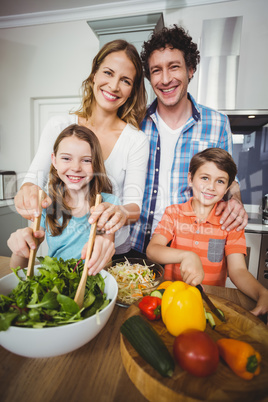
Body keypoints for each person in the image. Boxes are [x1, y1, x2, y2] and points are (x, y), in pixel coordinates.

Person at [14, 39, 149, 255]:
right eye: (108, 73)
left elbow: (134, 207)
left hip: (112, 253)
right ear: (94, 74)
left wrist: (119, 212)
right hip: (63, 252)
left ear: (133, 90)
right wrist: (27, 192)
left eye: (125, 80)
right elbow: (33, 181)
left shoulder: (136, 140)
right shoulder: (58, 126)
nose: (114, 86)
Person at [129, 25, 248, 257]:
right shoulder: (134, 121)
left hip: (187, 250)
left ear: (191, 69)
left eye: (174, 67)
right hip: (134, 245)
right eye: (156, 70)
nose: (165, 79)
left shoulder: (217, 123)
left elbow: (229, 180)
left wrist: (235, 200)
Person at [146, 148, 268, 317]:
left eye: (220, 181)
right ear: (190, 179)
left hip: (210, 301)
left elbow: (238, 270)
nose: (211, 187)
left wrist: (262, 293)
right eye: (204, 178)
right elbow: (152, 250)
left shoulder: (230, 222)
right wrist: (186, 256)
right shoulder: (173, 213)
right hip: (172, 298)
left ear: (227, 188)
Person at [8, 124, 118, 275]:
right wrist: (21, 248)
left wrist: (100, 246)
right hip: (54, 282)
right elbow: (17, 270)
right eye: (66, 158)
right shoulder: (46, 203)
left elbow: (106, 260)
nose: (76, 167)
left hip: (93, 279)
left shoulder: (109, 203)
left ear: (96, 164)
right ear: (54, 160)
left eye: (86, 160)